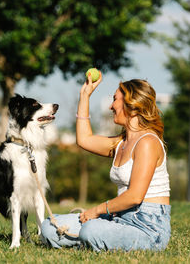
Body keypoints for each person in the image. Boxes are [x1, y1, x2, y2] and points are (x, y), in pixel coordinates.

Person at [41, 73, 171, 252]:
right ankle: (94, 241)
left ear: (131, 104)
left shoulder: (148, 142)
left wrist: (97, 210)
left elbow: (135, 196)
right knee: (49, 227)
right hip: (118, 218)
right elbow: (84, 139)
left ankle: (91, 240)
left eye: (115, 99)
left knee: (91, 229)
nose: (111, 106)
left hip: (147, 226)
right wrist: (85, 95)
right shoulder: (121, 143)